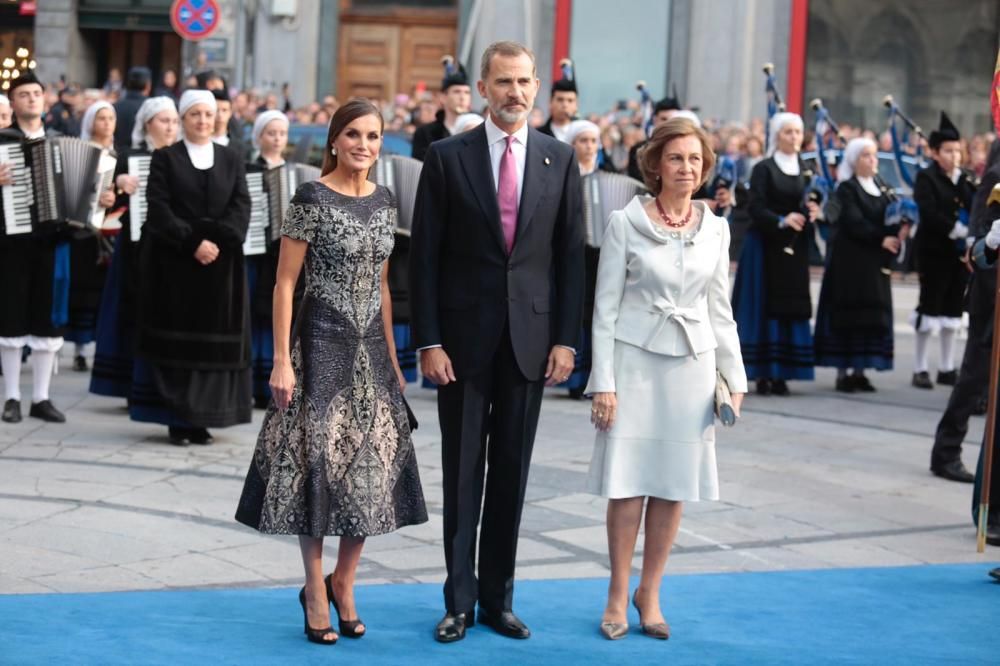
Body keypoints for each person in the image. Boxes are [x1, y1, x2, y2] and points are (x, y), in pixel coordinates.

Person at [410, 40, 584, 643]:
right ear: (482, 88)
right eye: (504, 81)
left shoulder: (559, 160)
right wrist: (427, 340)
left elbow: (569, 260)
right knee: (462, 476)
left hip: (530, 343)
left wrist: (566, 340)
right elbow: (424, 258)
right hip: (459, 343)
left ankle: (497, 600)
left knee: (511, 472)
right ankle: (457, 600)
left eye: (525, 82)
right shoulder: (446, 157)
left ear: (537, 88)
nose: (515, 93)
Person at [235, 98, 427, 645]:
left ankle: (343, 581)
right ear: (334, 141)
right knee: (317, 467)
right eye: (353, 135)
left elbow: (385, 285)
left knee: (369, 472)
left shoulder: (387, 201)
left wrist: (393, 356)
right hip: (318, 349)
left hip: (372, 354)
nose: (364, 145)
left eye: (373, 136)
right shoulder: (311, 197)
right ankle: (313, 589)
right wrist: (279, 360)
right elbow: (285, 282)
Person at [586, 117, 746, 641]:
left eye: (695, 159)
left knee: (674, 486)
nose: (686, 167)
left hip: (692, 367)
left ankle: (649, 592)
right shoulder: (624, 223)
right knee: (627, 483)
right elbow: (604, 310)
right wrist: (602, 381)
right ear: (655, 165)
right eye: (676, 158)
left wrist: (733, 375)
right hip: (633, 365)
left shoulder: (717, 229)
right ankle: (616, 591)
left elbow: (720, 310)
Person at [131, 89, 252, 444]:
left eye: (207, 114)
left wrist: (221, 240)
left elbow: (241, 205)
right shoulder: (166, 158)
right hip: (177, 266)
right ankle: (177, 418)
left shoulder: (231, 158)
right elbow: (159, 208)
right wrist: (192, 242)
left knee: (210, 347)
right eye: (195, 114)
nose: (202, 120)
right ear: (183, 119)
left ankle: (204, 417)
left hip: (221, 266)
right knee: (179, 346)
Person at [90, 97, 179, 400]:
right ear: (147, 124)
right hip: (132, 245)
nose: (170, 127)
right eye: (163, 121)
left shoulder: (181, 158)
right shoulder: (128, 157)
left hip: (167, 246)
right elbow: (102, 202)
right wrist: (116, 185)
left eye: (173, 121)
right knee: (129, 309)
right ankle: (125, 378)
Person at [732, 112, 819, 395]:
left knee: (790, 306)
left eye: (797, 132)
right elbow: (755, 207)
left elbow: (815, 200)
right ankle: (764, 373)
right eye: (788, 132)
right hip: (767, 244)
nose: (794, 138)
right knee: (766, 306)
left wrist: (813, 212)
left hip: (794, 248)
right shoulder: (764, 168)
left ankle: (784, 370)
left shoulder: (808, 169)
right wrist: (782, 219)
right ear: (776, 136)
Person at [0, 71, 68, 424]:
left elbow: (84, 192)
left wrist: (99, 196)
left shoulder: (59, 142)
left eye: (36, 93)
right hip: (10, 241)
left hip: (53, 240)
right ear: (12, 103)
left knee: (48, 317)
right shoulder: (2, 141)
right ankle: (11, 395)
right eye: (23, 94)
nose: (30, 99)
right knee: (10, 316)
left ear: (45, 100)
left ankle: (41, 397)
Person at [934, 139, 1000, 484]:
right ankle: (946, 450)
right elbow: (980, 241)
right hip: (991, 298)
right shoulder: (996, 177)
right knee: (974, 376)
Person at [813, 137, 897, 391]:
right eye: (865, 156)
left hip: (874, 263)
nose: (872, 160)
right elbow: (852, 220)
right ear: (853, 161)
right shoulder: (846, 188)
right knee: (848, 315)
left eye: (873, 155)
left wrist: (900, 227)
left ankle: (860, 370)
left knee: (869, 316)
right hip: (849, 263)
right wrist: (882, 237)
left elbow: (890, 215)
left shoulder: (882, 188)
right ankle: (843, 372)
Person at [911, 112, 977, 390]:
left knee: (952, 311)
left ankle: (947, 367)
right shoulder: (927, 178)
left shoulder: (965, 179)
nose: (955, 156)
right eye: (948, 151)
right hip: (934, 251)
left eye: (957, 151)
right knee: (929, 308)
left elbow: (977, 206)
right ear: (936, 153)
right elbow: (928, 212)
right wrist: (955, 229)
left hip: (959, 255)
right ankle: (920, 367)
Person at [66, 101, 118, 371]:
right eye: (101, 118)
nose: (107, 123)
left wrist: (115, 195)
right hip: (84, 233)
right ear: (90, 123)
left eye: (111, 118)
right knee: (82, 292)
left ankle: (98, 346)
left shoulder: (120, 155)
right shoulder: (83, 151)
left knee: (102, 293)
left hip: (112, 232)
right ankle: (79, 348)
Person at [246, 109, 290, 407]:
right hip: (259, 251)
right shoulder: (250, 170)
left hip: (284, 254)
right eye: (270, 133)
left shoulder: (295, 173)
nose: (276, 139)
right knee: (256, 312)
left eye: (281, 134)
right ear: (259, 137)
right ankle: (253, 381)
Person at [411, 56, 472, 161]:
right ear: (443, 97)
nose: (462, 97)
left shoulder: (479, 128)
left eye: (466, 92)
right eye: (456, 92)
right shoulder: (425, 133)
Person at [627, 95, 680, 181]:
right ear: (655, 119)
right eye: (664, 119)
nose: (668, 124)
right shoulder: (638, 149)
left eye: (673, 120)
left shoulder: (687, 150)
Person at [537, 58, 577, 142]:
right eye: (560, 100)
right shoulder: (538, 135)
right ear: (550, 102)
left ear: (576, 105)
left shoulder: (584, 134)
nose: (565, 105)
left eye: (570, 100)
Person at [113, 67, 151, 152]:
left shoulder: (114, 106)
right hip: (142, 158)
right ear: (148, 85)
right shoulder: (151, 108)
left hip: (116, 157)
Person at [211, 88, 248, 161]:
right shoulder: (199, 142)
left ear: (230, 112)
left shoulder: (239, 147)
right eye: (216, 110)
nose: (220, 115)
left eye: (224, 110)